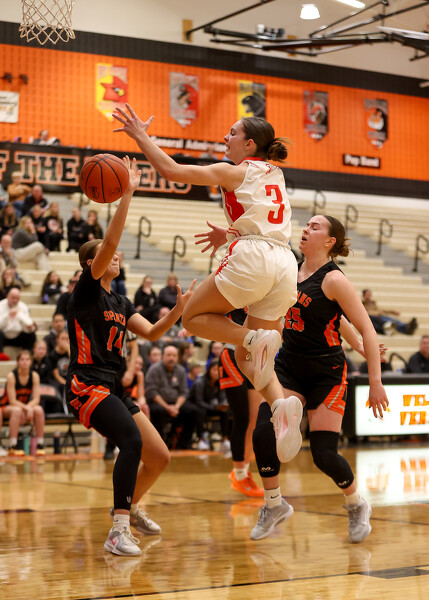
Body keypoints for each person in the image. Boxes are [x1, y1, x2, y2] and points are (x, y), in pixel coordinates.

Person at [114, 104, 299, 463]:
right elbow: (265, 219)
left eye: (233, 133)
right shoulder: (275, 174)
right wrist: (230, 232)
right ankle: (281, 408)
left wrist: (140, 136)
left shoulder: (234, 170)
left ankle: (252, 337)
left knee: (192, 317)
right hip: (285, 264)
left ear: (249, 144)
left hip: (255, 258)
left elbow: (171, 170)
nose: (226, 137)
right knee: (248, 360)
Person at [65, 156, 195, 556]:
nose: (117, 257)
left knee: (159, 456)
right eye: (109, 256)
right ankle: (118, 530)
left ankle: (131, 506)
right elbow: (109, 243)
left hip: (113, 388)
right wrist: (127, 193)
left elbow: (153, 332)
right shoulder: (86, 293)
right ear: (93, 264)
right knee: (131, 441)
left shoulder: (120, 302)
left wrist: (177, 310)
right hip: (86, 386)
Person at [249, 215, 389, 542]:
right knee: (263, 431)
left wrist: (375, 381)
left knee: (323, 455)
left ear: (329, 241)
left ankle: (356, 502)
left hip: (327, 373)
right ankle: (274, 504)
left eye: (315, 227)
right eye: (307, 225)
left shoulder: (335, 279)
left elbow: (366, 328)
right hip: (289, 366)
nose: (305, 229)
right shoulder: (289, 269)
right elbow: (331, 317)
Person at [219, 309, 264, 498]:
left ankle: (243, 471)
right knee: (241, 418)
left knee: (255, 419)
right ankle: (239, 474)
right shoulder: (233, 294)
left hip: (253, 357)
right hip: (231, 354)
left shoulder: (263, 297)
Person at [144, 344, 196, 450]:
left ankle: (182, 444)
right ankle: (159, 444)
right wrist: (167, 407)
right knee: (158, 411)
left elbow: (184, 392)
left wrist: (176, 407)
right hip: (158, 402)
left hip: (176, 403)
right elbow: (151, 392)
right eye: (168, 355)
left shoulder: (181, 370)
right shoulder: (154, 369)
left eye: (174, 355)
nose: (171, 358)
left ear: (177, 357)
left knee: (193, 411)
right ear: (163, 356)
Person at [0, 349, 45, 456]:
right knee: (17, 410)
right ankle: (13, 445)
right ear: (18, 362)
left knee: (39, 409)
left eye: (27, 359)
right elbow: (12, 401)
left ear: (31, 362)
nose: (25, 362)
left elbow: (36, 399)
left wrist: (28, 408)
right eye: (22, 359)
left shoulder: (34, 376)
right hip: (7, 407)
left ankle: (40, 444)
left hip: (23, 407)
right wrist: (27, 408)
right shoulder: (12, 376)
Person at [188, 358, 229, 451]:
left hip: (209, 407)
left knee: (225, 411)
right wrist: (215, 407)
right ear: (209, 370)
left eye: (219, 370)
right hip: (195, 406)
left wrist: (223, 404)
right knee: (200, 411)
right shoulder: (200, 382)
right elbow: (199, 402)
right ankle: (200, 440)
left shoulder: (219, 383)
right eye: (214, 370)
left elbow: (222, 397)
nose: (217, 373)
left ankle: (225, 439)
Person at [0, 287, 37, 353]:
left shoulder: (23, 307)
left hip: (18, 336)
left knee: (31, 335)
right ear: (7, 296)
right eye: (13, 298)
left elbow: (28, 325)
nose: (15, 301)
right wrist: (8, 315)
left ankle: (27, 354)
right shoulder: (1, 305)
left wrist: (19, 315)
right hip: (3, 336)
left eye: (17, 298)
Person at [49, 331, 70, 396]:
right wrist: (67, 383)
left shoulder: (70, 352)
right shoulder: (52, 355)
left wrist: (68, 350)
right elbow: (57, 376)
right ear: (57, 340)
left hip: (70, 378)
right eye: (63, 339)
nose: (65, 341)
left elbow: (75, 364)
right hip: (59, 381)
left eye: (67, 339)